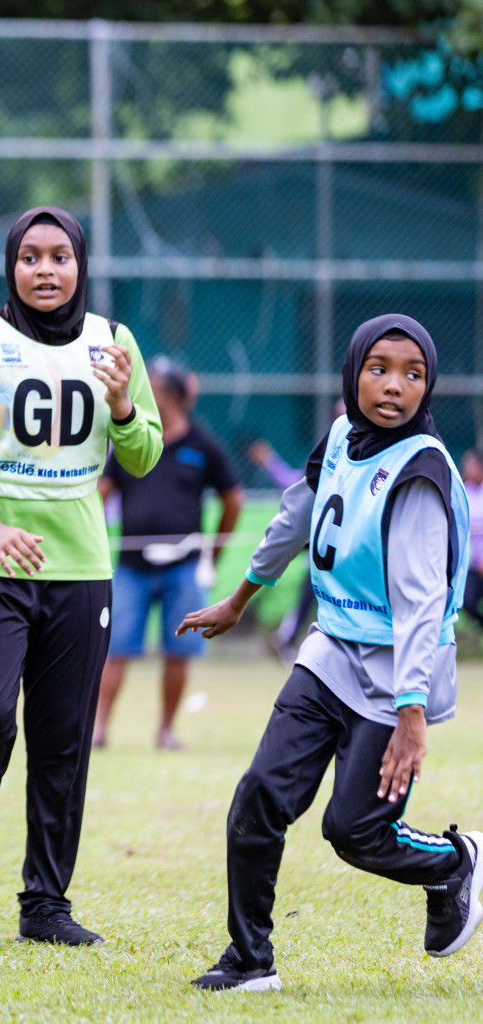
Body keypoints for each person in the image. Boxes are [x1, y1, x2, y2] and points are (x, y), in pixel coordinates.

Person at [178, 314, 482, 993]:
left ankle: (456, 863)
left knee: (356, 832)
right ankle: (250, 961)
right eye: (379, 368)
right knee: (259, 796)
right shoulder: (344, 436)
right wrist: (241, 598)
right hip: (329, 657)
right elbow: (296, 516)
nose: (394, 386)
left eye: (413, 374)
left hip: (397, 676)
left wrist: (411, 713)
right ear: (352, 373)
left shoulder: (421, 472)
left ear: (428, 387)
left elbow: (421, 604)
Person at [0, 207, 162, 947]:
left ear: (82, 264)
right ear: (11, 267)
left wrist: (122, 404)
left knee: (62, 739)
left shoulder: (114, 344)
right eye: (31, 257)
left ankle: (46, 904)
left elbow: (144, 454)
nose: (47, 270)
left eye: (61, 256)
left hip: (81, 570)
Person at [94, 357, 243, 751]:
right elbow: (101, 493)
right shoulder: (131, 440)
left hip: (183, 568)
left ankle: (165, 731)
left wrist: (214, 553)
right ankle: (99, 729)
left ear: (174, 397)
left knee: (179, 652)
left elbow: (233, 498)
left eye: (153, 389)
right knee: (116, 648)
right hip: (130, 568)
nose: (144, 394)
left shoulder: (203, 445)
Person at [459, 449, 483, 626]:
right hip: (471, 564)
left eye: (471, 465)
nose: (467, 468)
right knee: (468, 602)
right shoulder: (463, 490)